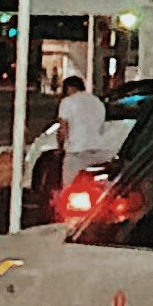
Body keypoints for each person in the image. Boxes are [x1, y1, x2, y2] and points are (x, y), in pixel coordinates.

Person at [35, 72, 107, 212]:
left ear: (69, 88)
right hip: (99, 150)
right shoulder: (97, 102)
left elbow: (63, 128)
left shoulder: (68, 102)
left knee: (70, 188)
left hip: (76, 151)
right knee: (95, 187)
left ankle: (67, 215)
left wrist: (60, 147)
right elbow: (101, 127)